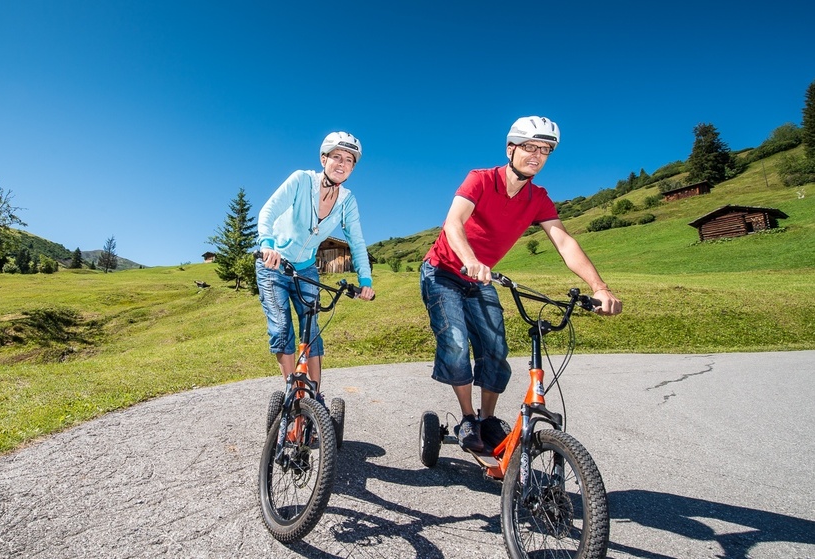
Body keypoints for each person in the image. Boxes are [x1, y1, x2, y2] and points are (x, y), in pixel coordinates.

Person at [420, 116, 623, 453]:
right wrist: (470, 258)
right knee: (456, 342)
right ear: (510, 148)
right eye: (530, 147)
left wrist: (599, 287)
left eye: (545, 150)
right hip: (443, 271)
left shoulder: (538, 198)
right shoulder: (480, 180)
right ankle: (468, 418)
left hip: (481, 277)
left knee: (496, 349)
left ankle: (487, 419)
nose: (537, 155)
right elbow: (453, 223)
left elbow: (565, 242)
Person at [256, 131, 376, 399]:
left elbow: (356, 242)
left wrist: (366, 281)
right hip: (273, 264)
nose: (342, 164)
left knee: (311, 330)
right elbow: (269, 210)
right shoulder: (301, 181)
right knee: (281, 329)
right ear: (324, 158)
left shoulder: (347, 201)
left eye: (349, 160)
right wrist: (267, 245)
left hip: (306, 268)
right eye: (337, 156)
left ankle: (316, 396)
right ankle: (292, 393)